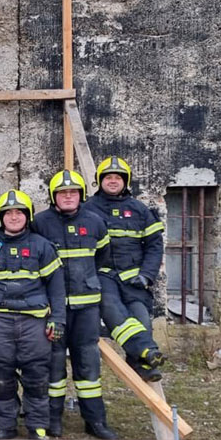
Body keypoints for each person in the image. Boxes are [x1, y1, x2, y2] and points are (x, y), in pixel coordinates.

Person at [0, 190, 65, 440]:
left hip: (34, 322)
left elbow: (56, 286)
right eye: (8, 213)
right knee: (1, 377)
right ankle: (5, 426)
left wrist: (57, 319)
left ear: (27, 215)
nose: (13, 217)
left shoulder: (41, 246)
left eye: (19, 212)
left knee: (36, 377)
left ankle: (37, 426)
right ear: (1, 217)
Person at [32, 170, 119, 440]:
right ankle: (52, 419)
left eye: (73, 192)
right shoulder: (40, 223)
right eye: (62, 193)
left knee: (88, 364)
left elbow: (103, 256)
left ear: (80, 195)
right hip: (52, 309)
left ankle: (95, 421)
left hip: (87, 309)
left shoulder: (95, 222)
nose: (68, 197)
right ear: (53, 197)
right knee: (53, 364)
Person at [82, 157, 166, 381]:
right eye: (108, 177)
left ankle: (139, 362)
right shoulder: (87, 209)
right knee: (113, 310)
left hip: (134, 279)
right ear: (100, 181)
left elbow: (155, 246)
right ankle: (144, 352)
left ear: (125, 181)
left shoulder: (140, 210)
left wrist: (147, 275)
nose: (112, 181)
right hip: (103, 276)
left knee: (142, 320)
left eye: (117, 177)